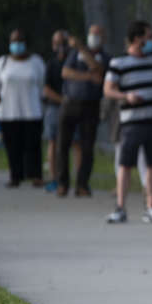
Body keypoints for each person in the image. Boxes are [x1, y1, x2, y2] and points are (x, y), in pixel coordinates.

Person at [104, 21, 152, 224]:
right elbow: (108, 90)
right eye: (148, 37)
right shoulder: (119, 63)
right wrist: (126, 96)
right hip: (132, 122)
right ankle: (120, 207)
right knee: (125, 165)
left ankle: (151, 206)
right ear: (136, 39)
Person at [57, 24, 108, 197]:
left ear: (103, 38)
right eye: (92, 33)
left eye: (97, 34)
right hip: (70, 102)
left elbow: (99, 72)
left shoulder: (104, 56)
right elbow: (65, 72)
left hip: (91, 105)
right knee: (63, 145)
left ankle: (82, 184)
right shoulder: (74, 54)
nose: (94, 37)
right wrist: (87, 75)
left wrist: (81, 48)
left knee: (87, 146)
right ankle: (62, 183)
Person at [0, 29, 46, 188]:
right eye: (14, 41)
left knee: (33, 145)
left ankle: (35, 175)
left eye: (19, 41)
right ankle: (15, 176)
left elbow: (42, 86)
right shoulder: (3, 62)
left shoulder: (36, 62)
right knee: (12, 146)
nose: (17, 45)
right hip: (8, 112)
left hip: (32, 111)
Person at [42, 29, 71, 189]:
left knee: (75, 142)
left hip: (73, 108)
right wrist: (62, 100)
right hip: (54, 107)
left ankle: (74, 179)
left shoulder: (74, 61)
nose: (61, 47)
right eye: (57, 44)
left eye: (64, 43)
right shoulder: (51, 64)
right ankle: (54, 178)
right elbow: (46, 89)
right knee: (53, 142)